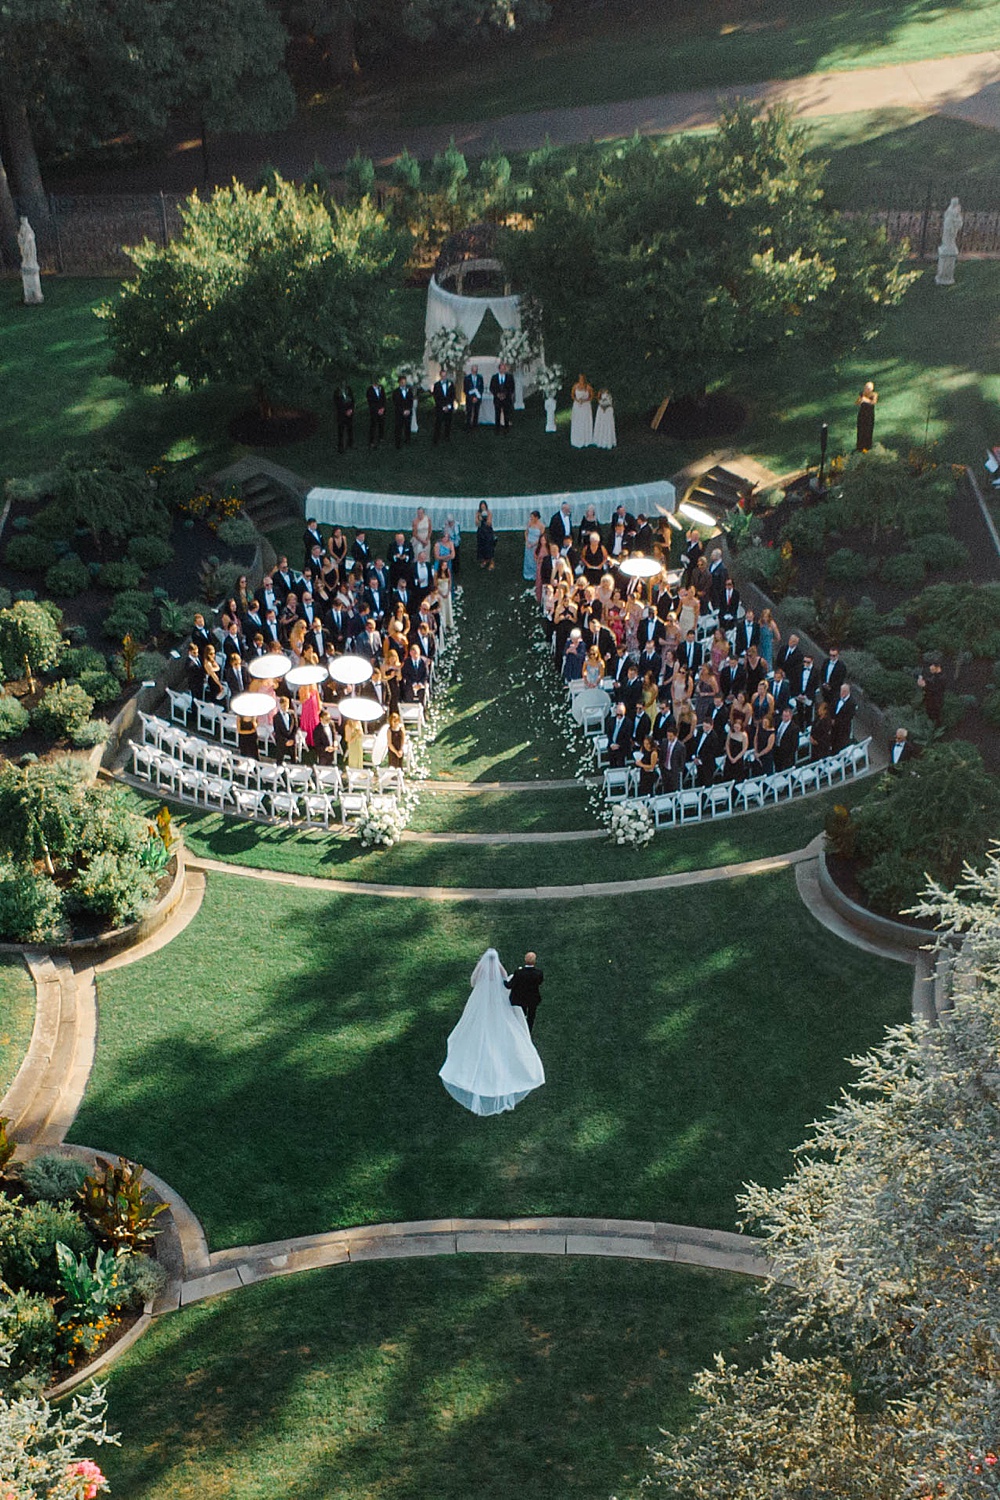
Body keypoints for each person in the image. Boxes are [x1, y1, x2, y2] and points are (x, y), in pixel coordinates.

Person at [440, 948, 545, 1115]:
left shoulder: (481, 968)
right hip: (496, 1001)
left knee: (475, 1024)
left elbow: (473, 982)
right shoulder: (498, 967)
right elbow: (504, 978)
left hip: (481, 1000)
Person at [504, 951, 545, 1035]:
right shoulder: (538, 973)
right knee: (531, 1017)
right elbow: (540, 982)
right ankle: (528, 1032)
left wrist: (504, 980)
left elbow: (509, 985)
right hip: (533, 999)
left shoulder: (519, 973)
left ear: (525, 960)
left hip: (520, 999)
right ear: (534, 961)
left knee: (521, 1016)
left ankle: (521, 1032)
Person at [490, 361, 515, 434]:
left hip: (506, 399)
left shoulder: (509, 377)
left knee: (506, 414)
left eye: (504, 368)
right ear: (499, 369)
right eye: (501, 368)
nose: (503, 370)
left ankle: (506, 429)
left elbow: (512, 388)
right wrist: (497, 394)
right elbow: (491, 388)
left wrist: (505, 395)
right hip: (497, 399)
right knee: (497, 414)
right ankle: (497, 429)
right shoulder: (494, 377)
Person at [570, 374, 594, 448]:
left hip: (586, 406)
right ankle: (576, 438)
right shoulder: (575, 386)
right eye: (580, 378)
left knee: (585, 421)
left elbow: (592, 396)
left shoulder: (588, 387)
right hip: (577, 406)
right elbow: (572, 395)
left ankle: (586, 439)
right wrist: (577, 400)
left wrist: (584, 400)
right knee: (577, 421)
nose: (581, 380)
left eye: (582, 378)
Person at [432, 372, 456, 444]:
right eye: (442, 376)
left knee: (448, 423)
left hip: (449, 407)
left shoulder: (450, 384)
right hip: (440, 408)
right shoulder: (436, 385)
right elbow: (436, 398)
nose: (444, 377)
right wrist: (443, 406)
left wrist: (448, 406)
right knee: (438, 423)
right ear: (440, 376)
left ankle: (447, 437)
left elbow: (453, 395)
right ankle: (436, 438)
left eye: (445, 376)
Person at [856, 380, 878, 452]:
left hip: (869, 415)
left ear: (871, 389)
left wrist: (866, 400)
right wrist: (860, 400)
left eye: (868, 388)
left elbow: (873, 402)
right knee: (860, 430)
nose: (866, 389)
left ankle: (867, 447)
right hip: (862, 414)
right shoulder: (862, 394)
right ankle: (859, 447)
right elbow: (856, 403)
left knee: (868, 430)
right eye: (865, 388)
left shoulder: (874, 394)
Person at [393, 375, 414, 448]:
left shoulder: (409, 391)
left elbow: (411, 401)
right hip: (399, 413)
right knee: (398, 428)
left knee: (407, 427)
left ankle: (407, 440)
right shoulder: (396, 392)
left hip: (408, 412)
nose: (403, 384)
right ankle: (398, 443)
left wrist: (409, 410)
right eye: (402, 382)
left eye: (405, 382)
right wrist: (402, 411)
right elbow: (396, 403)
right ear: (399, 383)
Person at [334, 383, 355, 453]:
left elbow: (352, 400)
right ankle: (340, 446)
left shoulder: (349, 390)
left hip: (349, 414)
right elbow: (337, 404)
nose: (343, 384)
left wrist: (351, 410)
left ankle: (350, 444)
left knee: (350, 429)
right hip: (341, 415)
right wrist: (345, 411)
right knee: (341, 431)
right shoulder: (337, 392)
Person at [524, 511, 544, 583]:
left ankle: (535, 574)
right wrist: (527, 541)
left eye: (532, 517)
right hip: (529, 543)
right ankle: (527, 573)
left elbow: (541, 537)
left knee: (535, 559)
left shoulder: (541, 526)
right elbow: (526, 533)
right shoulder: (529, 523)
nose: (531, 518)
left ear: (537, 517)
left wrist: (533, 544)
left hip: (536, 544)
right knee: (528, 559)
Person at [366, 379, 387, 447]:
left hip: (381, 410)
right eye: (375, 382)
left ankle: (381, 437)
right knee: (373, 425)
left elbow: (384, 398)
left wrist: (383, 408)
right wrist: (377, 410)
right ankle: (372, 441)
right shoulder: (369, 390)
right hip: (374, 411)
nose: (377, 383)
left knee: (382, 424)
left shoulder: (381, 388)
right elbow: (370, 402)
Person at [476, 501, 496, 570]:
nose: (483, 507)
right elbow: (477, 523)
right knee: (482, 546)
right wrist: (479, 519)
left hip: (488, 532)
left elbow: (489, 523)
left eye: (484, 505)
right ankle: (484, 560)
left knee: (489, 546)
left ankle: (491, 561)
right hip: (481, 532)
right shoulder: (478, 513)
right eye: (482, 506)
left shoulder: (489, 512)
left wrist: (486, 518)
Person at [463, 365, 484, 429]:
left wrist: (477, 397)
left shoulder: (480, 377)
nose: (474, 372)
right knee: (469, 412)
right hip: (469, 399)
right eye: (473, 370)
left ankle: (475, 426)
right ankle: (468, 426)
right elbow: (465, 389)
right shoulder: (467, 378)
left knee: (476, 412)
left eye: (476, 370)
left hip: (477, 398)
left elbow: (481, 388)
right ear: (471, 370)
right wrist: (472, 398)